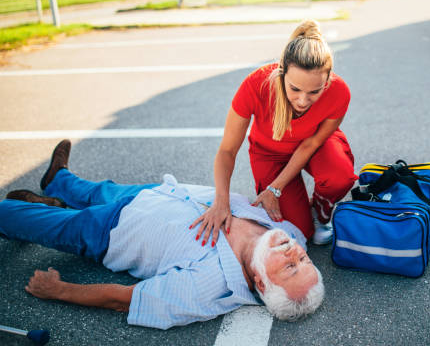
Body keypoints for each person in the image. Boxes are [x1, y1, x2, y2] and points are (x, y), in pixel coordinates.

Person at [0, 140, 324, 330]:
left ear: (262, 283)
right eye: (304, 259)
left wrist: (60, 291)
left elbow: (126, 299)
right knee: (96, 190)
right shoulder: (287, 230)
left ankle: (39, 210)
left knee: (18, 217)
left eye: (290, 267)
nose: (294, 251)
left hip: (111, 231)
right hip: (159, 193)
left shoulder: (208, 289)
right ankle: (58, 182)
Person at [192, 20, 357, 247]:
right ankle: (303, 214)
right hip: (269, 154)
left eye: (314, 92)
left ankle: (321, 211)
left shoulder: (339, 91)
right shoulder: (254, 85)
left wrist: (275, 188)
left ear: (327, 80)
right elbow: (228, 150)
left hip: (312, 145)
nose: (303, 100)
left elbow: (311, 144)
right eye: (295, 89)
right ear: (282, 72)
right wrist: (221, 201)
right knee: (300, 232)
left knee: (339, 177)